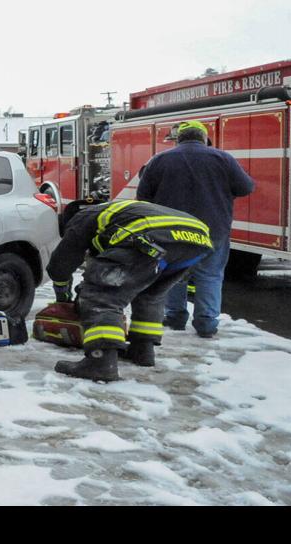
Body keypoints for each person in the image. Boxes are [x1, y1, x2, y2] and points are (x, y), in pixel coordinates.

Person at [44, 200, 215, 382]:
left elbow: (62, 262)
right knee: (150, 294)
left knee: (101, 297)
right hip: (197, 240)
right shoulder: (115, 217)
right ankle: (142, 350)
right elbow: (107, 265)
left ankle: (100, 361)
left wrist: (63, 292)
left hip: (152, 236)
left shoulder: (81, 219)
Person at [136, 119, 255, 338]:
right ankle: (206, 324)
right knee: (210, 275)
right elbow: (246, 187)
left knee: (174, 273)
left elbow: (143, 196)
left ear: (178, 139)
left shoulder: (159, 160)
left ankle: (175, 316)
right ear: (204, 138)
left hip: (171, 231)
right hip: (213, 230)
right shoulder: (223, 159)